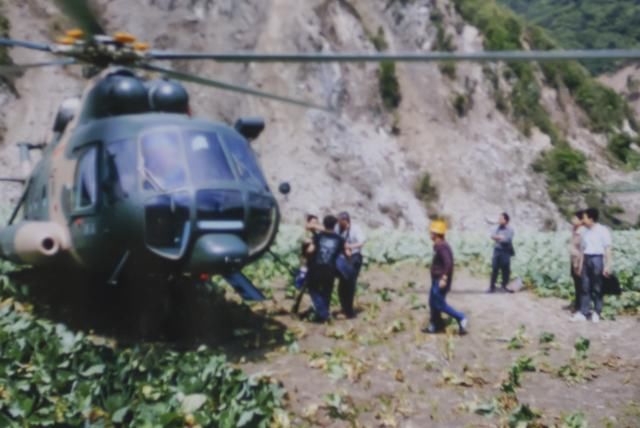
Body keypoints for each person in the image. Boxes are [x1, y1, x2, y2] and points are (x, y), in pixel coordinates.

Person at [422, 220, 468, 335]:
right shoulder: (438, 245)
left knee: (439, 304)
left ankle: (461, 317)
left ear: (436, 234)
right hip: (436, 279)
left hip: (440, 280)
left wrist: (444, 278)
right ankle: (435, 325)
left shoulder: (442, 246)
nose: (430, 234)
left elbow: (448, 263)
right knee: (432, 303)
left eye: (431, 232)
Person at [572, 208, 613, 323]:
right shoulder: (584, 231)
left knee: (597, 287)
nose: (583, 220)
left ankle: (597, 312)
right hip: (586, 258)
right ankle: (584, 312)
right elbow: (582, 249)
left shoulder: (603, 230)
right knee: (585, 287)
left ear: (591, 218)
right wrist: (579, 265)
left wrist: (608, 265)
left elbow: (607, 248)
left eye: (585, 218)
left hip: (597, 258)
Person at [305, 215, 345, 322]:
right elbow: (345, 253)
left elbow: (310, 250)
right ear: (335, 225)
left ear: (323, 223)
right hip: (330, 269)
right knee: (327, 292)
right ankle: (322, 316)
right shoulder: (340, 239)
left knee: (313, 289)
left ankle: (323, 314)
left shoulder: (318, 237)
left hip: (316, 268)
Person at [335, 211, 367, 319]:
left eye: (341, 222)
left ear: (346, 220)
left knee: (349, 284)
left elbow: (362, 242)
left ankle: (349, 311)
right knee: (342, 285)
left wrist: (349, 246)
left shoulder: (355, 229)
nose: (339, 224)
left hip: (354, 257)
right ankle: (345, 308)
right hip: (343, 258)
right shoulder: (338, 228)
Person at [488, 212, 515, 293]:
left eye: (501, 219)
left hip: (505, 251)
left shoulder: (510, 230)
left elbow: (507, 240)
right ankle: (492, 287)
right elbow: (492, 236)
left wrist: (497, 238)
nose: (499, 220)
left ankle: (504, 286)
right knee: (494, 268)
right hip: (497, 251)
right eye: (499, 219)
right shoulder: (497, 228)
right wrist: (500, 237)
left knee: (505, 270)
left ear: (506, 220)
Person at [294, 214, 323, 290]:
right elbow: (304, 241)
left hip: (313, 259)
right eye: (313, 222)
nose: (314, 225)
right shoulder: (305, 232)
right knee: (302, 273)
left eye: (316, 223)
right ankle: (297, 287)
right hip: (305, 258)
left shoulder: (316, 234)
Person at [568, 210, 585, 312]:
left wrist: (577, 264)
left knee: (580, 284)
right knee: (577, 284)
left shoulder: (582, 231)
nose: (572, 220)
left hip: (579, 260)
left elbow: (581, 249)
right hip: (574, 259)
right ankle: (578, 305)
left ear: (581, 220)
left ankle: (580, 306)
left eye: (575, 218)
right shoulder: (575, 229)